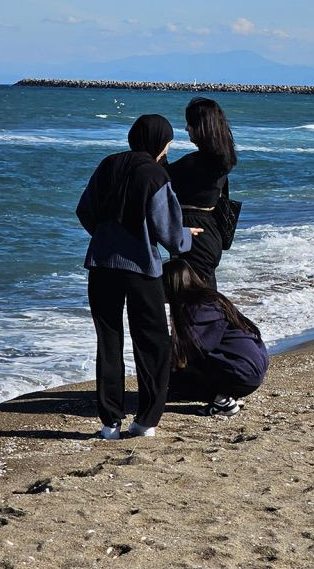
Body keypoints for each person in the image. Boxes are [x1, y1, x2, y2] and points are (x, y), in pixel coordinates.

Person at [76, 115, 197, 439]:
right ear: (159, 142)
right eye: (169, 141)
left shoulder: (108, 165)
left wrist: (105, 236)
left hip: (101, 265)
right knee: (152, 341)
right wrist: (187, 236)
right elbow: (169, 233)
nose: (169, 147)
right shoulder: (156, 174)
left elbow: (84, 210)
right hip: (142, 269)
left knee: (109, 340)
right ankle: (146, 420)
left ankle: (109, 423)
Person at [163, 258, 269, 416]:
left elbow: (193, 347)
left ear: (171, 284)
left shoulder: (199, 307)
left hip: (244, 372)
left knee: (176, 377)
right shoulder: (210, 298)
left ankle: (222, 401)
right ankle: (227, 394)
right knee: (176, 371)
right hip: (251, 366)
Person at [168, 97, 238, 291]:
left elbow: (159, 176)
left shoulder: (194, 163)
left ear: (201, 127)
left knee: (193, 300)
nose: (186, 129)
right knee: (204, 297)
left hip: (195, 234)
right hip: (209, 231)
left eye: (189, 124)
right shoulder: (222, 160)